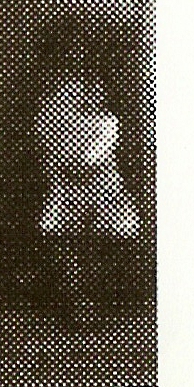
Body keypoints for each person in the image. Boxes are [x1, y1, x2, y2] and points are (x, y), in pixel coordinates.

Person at [30, 24, 139, 329]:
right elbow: (47, 137)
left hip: (100, 176)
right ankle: (75, 301)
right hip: (67, 177)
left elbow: (108, 132)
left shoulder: (100, 93)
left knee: (106, 236)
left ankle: (96, 299)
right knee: (66, 238)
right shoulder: (56, 98)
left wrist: (93, 159)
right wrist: (62, 169)